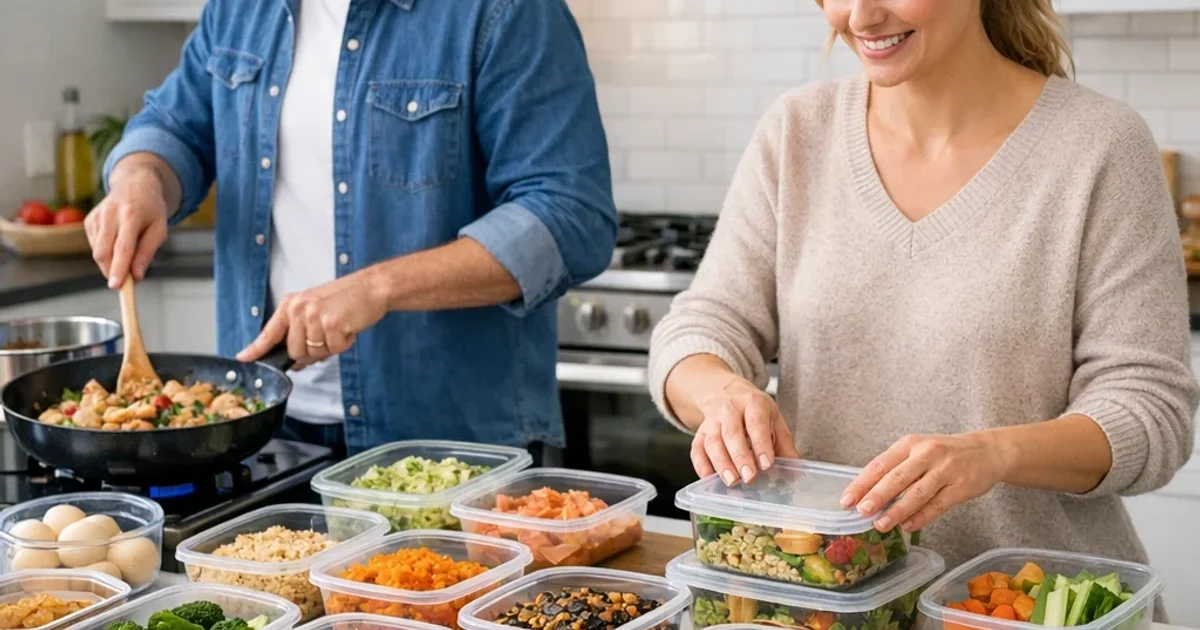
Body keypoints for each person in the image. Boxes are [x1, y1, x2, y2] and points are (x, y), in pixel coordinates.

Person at [649, 0, 1198, 572]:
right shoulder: (797, 131)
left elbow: (1148, 410)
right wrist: (721, 394)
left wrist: (994, 454)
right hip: (828, 599)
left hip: (1022, 603)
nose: (859, 17)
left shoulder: (1100, 147)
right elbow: (703, 325)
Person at [86, 0, 616, 458]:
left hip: (447, 445)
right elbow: (176, 125)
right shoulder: (241, 9)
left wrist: (377, 289)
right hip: (266, 432)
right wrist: (142, 180)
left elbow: (570, 215)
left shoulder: (504, 11)